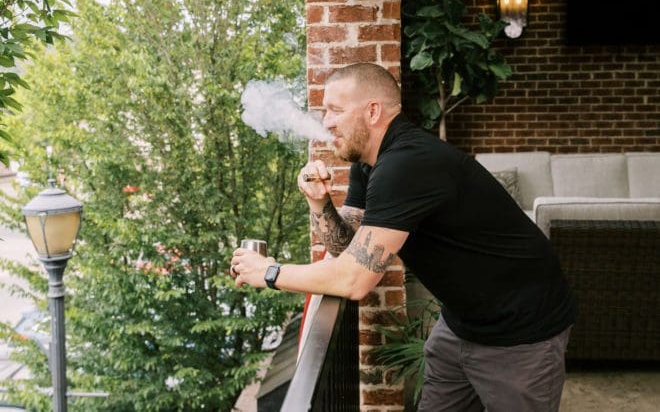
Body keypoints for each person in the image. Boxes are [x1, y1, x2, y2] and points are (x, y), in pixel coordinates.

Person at [230, 62, 577, 411]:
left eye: (335, 110)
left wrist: (269, 272)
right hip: (460, 325)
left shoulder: (407, 163)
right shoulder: (369, 165)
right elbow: (347, 248)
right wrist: (319, 203)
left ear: (372, 111)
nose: (326, 121)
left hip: (522, 332)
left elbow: (355, 279)